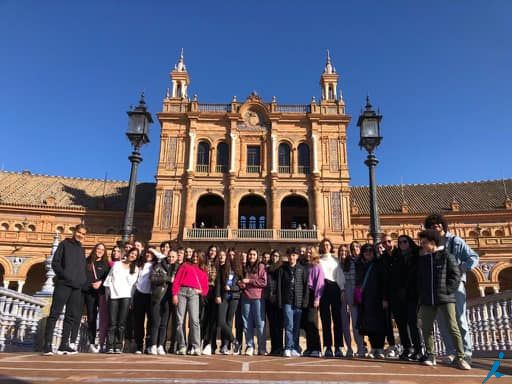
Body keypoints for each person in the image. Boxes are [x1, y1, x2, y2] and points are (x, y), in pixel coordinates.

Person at [424, 213, 479, 363]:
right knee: (442, 321)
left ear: (443, 225)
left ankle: (466, 352)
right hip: (439, 287)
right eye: (431, 226)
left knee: (460, 319)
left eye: (438, 224)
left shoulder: (455, 240)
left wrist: (460, 268)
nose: (435, 227)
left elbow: (473, 257)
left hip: (455, 285)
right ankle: (451, 352)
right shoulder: (431, 244)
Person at [416, 229, 471, 370]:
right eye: (421, 243)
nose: (422, 245)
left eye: (424, 242)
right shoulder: (423, 260)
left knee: (453, 327)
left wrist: (448, 290)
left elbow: (456, 274)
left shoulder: (447, 256)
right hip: (428, 299)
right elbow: (420, 279)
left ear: (433, 242)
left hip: (445, 298)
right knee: (426, 328)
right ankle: (430, 355)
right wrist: (422, 294)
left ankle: (460, 357)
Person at [43, 224, 88, 356]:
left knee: (70, 316)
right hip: (63, 284)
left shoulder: (81, 249)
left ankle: (63, 345)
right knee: (54, 314)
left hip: (76, 288)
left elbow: (81, 267)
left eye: (83, 234)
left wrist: (81, 281)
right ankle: (47, 345)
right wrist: (65, 276)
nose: (81, 235)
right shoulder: (64, 244)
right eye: (79, 232)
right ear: (75, 232)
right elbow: (55, 263)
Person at [383, 235, 422, 361]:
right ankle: (407, 348)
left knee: (413, 322)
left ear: (409, 242)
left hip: (412, 295)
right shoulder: (395, 257)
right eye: (400, 242)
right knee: (401, 324)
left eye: (405, 241)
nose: (402, 244)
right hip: (397, 296)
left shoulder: (416, 256)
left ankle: (418, 349)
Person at [103, 247, 140, 354]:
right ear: (128, 253)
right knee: (112, 322)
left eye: (135, 255)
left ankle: (118, 345)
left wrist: (131, 268)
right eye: (132, 253)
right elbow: (109, 279)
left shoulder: (136, 268)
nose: (132, 255)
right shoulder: (117, 264)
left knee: (121, 323)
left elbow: (132, 284)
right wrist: (108, 294)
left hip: (126, 296)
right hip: (113, 295)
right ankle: (110, 345)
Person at [172, 251, 209, 355]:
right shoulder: (185, 265)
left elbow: (205, 289)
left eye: (198, 256)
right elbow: (177, 280)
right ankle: (182, 346)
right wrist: (174, 294)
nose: (195, 258)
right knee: (180, 320)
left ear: (201, 258)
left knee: (194, 320)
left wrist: (200, 291)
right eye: (194, 256)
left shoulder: (203, 270)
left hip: (193, 294)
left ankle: (196, 346)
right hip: (181, 292)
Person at [356, 244, 387, 359]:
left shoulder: (378, 265)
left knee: (379, 324)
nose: (368, 253)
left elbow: (384, 282)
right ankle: (373, 347)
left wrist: (384, 298)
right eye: (365, 251)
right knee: (368, 325)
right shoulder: (360, 265)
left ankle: (380, 348)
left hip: (377, 299)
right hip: (365, 299)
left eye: (370, 251)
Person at [278, 248, 309, 357]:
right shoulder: (283, 269)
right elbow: (279, 287)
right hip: (287, 301)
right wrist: (280, 301)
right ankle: (288, 347)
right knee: (289, 325)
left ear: (297, 257)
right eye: (290, 255)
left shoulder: (302, 269)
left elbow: (306, 286)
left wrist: (305, 301)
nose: (292, 257)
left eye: (294, 255)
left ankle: (295, 347)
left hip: (298, 301)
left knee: (296, 326)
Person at [318, 238, 345, 358]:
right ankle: (328, 347)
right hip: (323, 288)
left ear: (331, 246)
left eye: (328, 244)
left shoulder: (336, 260)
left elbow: (339, 275)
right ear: (321, 247)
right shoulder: (318, 260)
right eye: (324, 245)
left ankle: (339, 346)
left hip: (335, 287)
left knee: (337, 318)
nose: (326, 246)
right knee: (325, 319)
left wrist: (342, 289)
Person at [239, 248, 267, 356]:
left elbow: (263, 282)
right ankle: (250, 346)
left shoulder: (261, 266)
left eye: (254, 255)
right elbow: (241, 280)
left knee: (260, 323)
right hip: (246, 297)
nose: (251, 256)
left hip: (258, 298)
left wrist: (249, 281)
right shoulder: (245, 267)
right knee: (246, 323)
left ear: (257, 256)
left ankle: (262, 347)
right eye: (250, 254)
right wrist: (241, 283)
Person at [83, 242, 110, 353]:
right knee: (91, 318)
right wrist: (91, 285)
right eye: (98, 249)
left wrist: (101, 282)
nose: (100, 251)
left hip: (102, 294)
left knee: (105, 319)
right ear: (95, 249)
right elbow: (83, 277)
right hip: (90, 293)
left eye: (102, 250)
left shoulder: (106, 264)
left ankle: (104, 343)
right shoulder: (87, 262)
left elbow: (109, 278)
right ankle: (92, 342)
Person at [149, 248, 176, 355]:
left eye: (173, 257)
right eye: (169, 256)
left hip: (169, 299)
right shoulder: (158, 265)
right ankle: (153, 345)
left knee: (164, 324)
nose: (171, 258)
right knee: (156, 322)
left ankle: (161, 345)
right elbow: (152, 278)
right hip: (158, 297)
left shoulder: (177, 268)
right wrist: (168, 278)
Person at [215, 250, 242, 354]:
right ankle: (234, 341)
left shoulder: (239, 269)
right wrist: (217, 295)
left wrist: (231, 287)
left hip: (234, 297)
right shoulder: (222, 268)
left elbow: (240, 285)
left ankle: (225, 346)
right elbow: (218, 282)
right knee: (221, 321)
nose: (231, 256)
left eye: (233, 255)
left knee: (229, 321)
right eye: (229, 255)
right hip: (224, 296)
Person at [303, 247, 324, 358]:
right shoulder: (305, 265)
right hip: (305, 296)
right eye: (307, 252)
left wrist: (317, 298)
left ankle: (316, 348)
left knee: (313, 322)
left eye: (310, 252)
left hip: (312, 295)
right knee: (307, 323)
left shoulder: (317, 266)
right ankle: (309, 347)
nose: (308, 254)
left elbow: (320, 283)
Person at [379, 234, 398, 358]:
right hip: (387, 295)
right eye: (384, 243)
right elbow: (383, 280)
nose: (387, 245)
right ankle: (392, 346)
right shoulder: (383, 259)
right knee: (387, 322)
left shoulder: (400, 255)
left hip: (400, 294)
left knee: (404, 321)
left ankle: (409, 347)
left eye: (389, 242)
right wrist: (384, 297)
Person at [132, 247, 154, 354]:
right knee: (139, 322)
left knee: (151, 322)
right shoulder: (140, 264)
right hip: (139, 294)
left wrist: (153, 250)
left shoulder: (156, 264)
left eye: (150, 253)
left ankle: (149, 345)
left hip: (150, 295)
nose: (148, 255)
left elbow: (162, 256)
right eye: (147, 253)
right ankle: (139, 345)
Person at [201, 245, 219, 355]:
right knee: (203, 318)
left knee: (213, 320)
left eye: (214, 251)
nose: (212, 252)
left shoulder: (218, 264)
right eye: (211, 250)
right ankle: (202, 341)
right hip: (204, 291)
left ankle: (210, 344)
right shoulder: (203, 263)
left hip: (214, 292)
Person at [266, 250, 284, 356]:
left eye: (276, 256)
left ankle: (280, 347)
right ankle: (274, 348)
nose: (274, 258)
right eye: (273, 256)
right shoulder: (268, 269)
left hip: (279, 300)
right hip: (269, 299)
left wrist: (277, 296)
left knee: (279, 325)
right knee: (272, 325)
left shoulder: (282, 268)